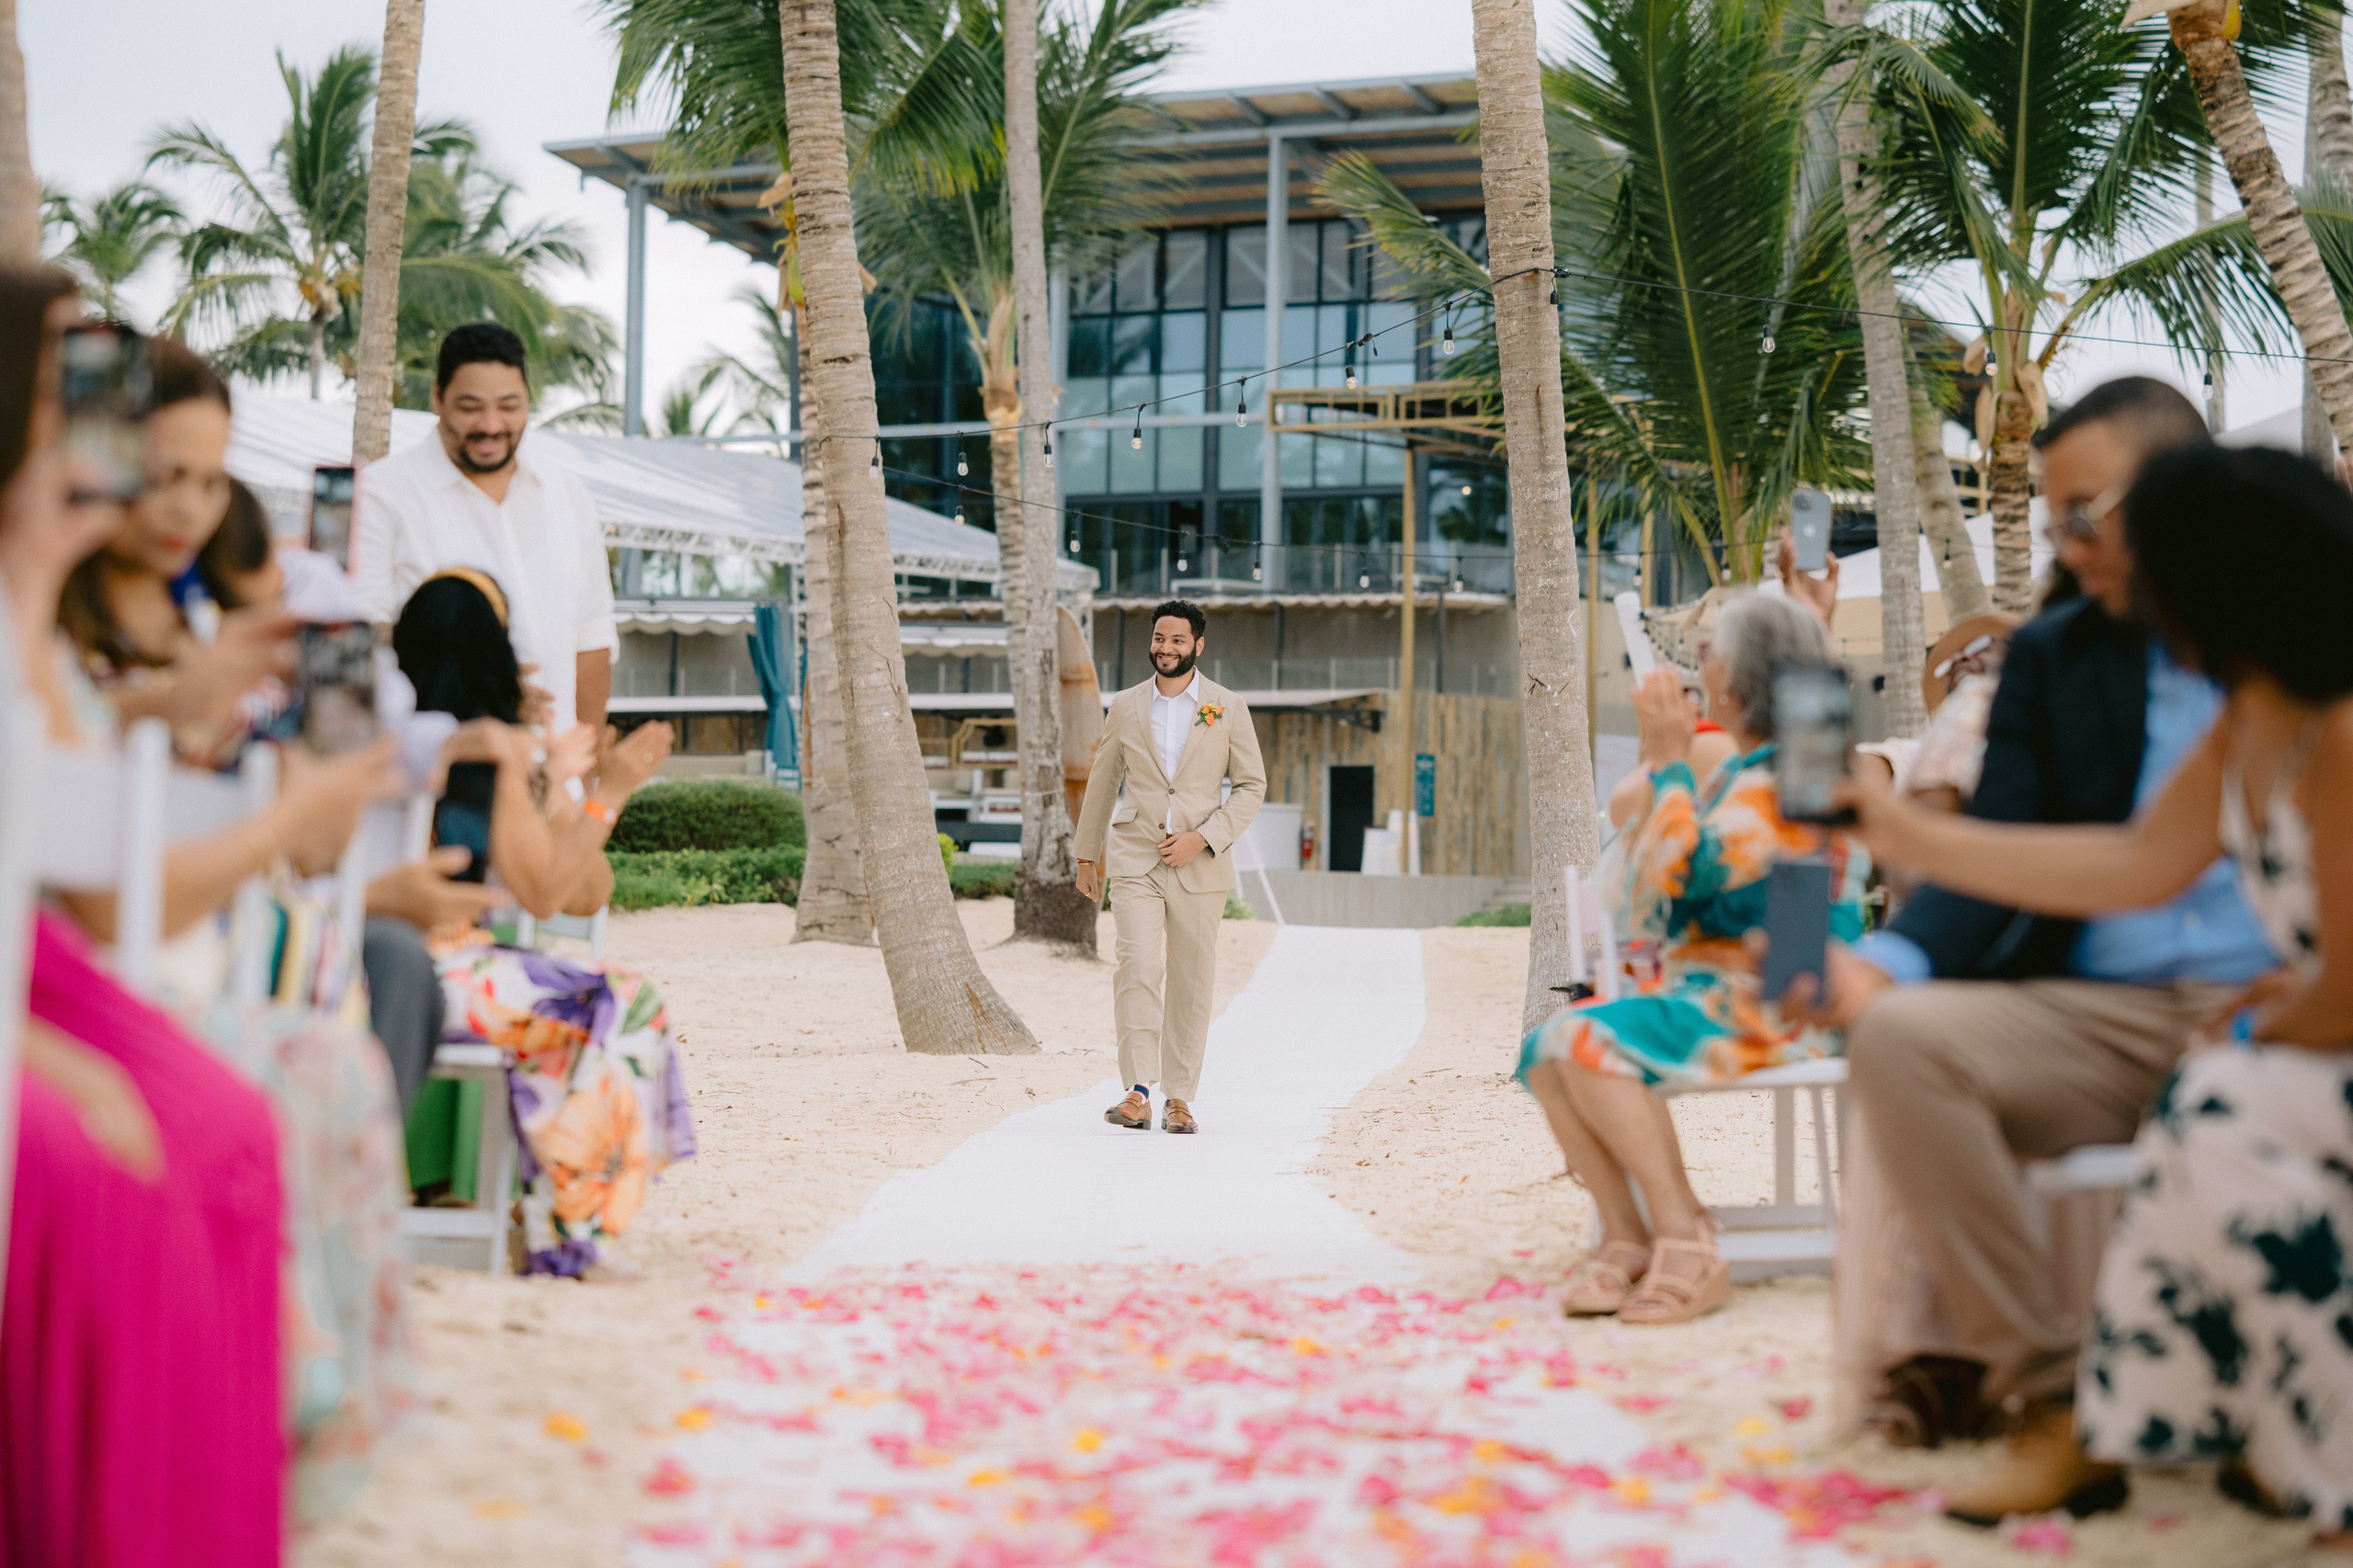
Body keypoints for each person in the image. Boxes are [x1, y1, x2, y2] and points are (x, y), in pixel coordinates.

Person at [1845, 443, 2353, 1555]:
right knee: (2210, 1103)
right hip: (2194, 1023)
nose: (2096, 563)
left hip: (2308, 1040)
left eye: (2116, 533)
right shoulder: (2248, 711)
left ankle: (2318, 1460)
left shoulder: (2340, 725)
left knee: (2221, 1107)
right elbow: (2127, 865)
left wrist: (2260, 1020)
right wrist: (1899, 832)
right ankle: (2076, 1407)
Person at [0, 267, 290, 1565]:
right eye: (79, 389)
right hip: (39, 961)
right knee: (113, 1148)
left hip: (46, 947)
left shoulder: (40, 594)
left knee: (229, 1123)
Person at [1518, 592, 1870, 1325]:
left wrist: (1667, 761)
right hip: (1725, 990)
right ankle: (1628, 1235)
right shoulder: (1757, 769)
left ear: (1738, 687)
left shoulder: (1787, 775)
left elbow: (1663, 886)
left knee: (1579, 1040)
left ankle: (1685, 1236)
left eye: (1709, 652)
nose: (1696, 665)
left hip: (1784, 999)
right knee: (1546, 1050)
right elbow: (1650, 898)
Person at [389, 569, 690, 1277]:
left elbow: (574, 890)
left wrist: (552, 784)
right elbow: (549, 894)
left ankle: (546, 1211)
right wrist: (607, 790)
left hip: (352, 959)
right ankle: (567, 1230)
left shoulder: (382, 731)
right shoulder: (490, 752)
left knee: (588, 1007)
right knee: (621, 999)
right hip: (444, 969)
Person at [353, 322, 614, 735]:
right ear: (437, 397)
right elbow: (360, 637)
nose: (491, 426)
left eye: (509, 406)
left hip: (557, 776)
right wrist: (487, 689)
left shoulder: (567, 493)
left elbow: (593, 638)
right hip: (438, 777)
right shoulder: (378, 494)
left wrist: (586, 771)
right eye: (470, 408)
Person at [1074, 598, 1267, 1136]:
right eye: (1160, 638)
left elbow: (1252, 786)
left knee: (1191, 979)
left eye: (1178, 641)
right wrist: (1087, 854)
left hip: (1200, 864)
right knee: (1136, 964)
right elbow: (1102, 779)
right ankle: (1137, 1090)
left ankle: (1179, 1098)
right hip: (1135, 854)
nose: (1166, 648)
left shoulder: (1227, 707)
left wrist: (1204, 838)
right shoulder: (1127, 705)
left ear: (1198, 647)